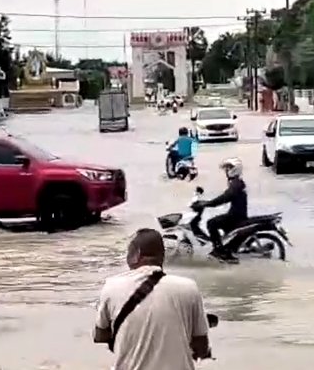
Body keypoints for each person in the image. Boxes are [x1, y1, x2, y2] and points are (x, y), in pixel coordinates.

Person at [94, 228, 211, 370]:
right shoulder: (189, 287)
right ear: (162, 256)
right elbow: (201, 346)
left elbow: (100, 336)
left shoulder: (112, 286)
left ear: (135, 255)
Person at [202, 158, 248, 262]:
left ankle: (219, 251)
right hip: (236, 214)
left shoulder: (236, 184)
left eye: (229, 168)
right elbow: (225, 197)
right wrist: (208, 203)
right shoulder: (236, 182)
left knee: (211, 223)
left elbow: (225, 197)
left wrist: (208, 203)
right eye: (226, 169)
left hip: (236, 216)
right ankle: (225, 248)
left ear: (235, 169)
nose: (226, 171)